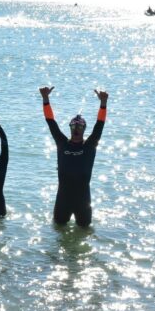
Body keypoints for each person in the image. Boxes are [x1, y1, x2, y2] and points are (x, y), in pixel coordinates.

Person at [40, 86, 108, 227]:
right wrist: (45, 99)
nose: (76, 130)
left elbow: (99, 125)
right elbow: (50, 122)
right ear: (70, 128)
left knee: (84, 233)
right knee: (58, 231)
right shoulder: (62, 143)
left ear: (84, 129)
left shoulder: (89, 146)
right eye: (74, 127)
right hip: (63, 199)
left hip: (83, 200)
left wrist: (103, 104)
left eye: (80, 127)